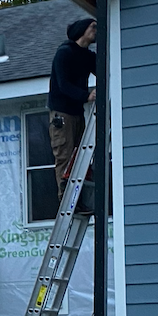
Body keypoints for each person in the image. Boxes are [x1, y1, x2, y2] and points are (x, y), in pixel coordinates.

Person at [48, 17, 97, 200]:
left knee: (80, 157)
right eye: (93, 27)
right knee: (65, 156)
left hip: (77, 113)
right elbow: (63, 85)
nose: (96, 30)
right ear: (82, 30)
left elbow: (104, 68)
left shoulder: (87, 56)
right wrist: (86, 96)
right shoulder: (65, 53)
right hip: (62, 114)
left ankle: (80, 198)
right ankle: (65, 198)